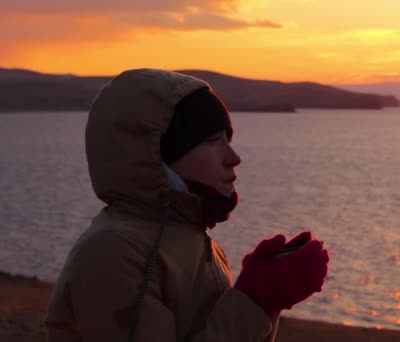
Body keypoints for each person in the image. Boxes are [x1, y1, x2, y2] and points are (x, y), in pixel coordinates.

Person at [45, 68, 330, 341]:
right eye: (211, 141)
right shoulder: (113, 252)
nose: (233, 157)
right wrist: (257, 299)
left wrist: (268, 300)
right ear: (158, 156)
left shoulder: (194, 240)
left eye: (228, 140)